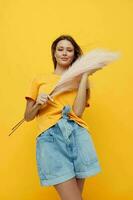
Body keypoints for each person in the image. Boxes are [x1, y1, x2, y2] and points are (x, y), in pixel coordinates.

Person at [24, 34, 102, 200]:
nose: (65, 53)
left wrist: (85, 76)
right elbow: (28, 117)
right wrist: (39, 103)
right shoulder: (39, 79)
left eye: (69, 50)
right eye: (60, 49)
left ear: (74, 55)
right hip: (51, 137)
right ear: (54, 53)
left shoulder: (79, 80)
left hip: (78, 136)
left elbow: (78, 111)